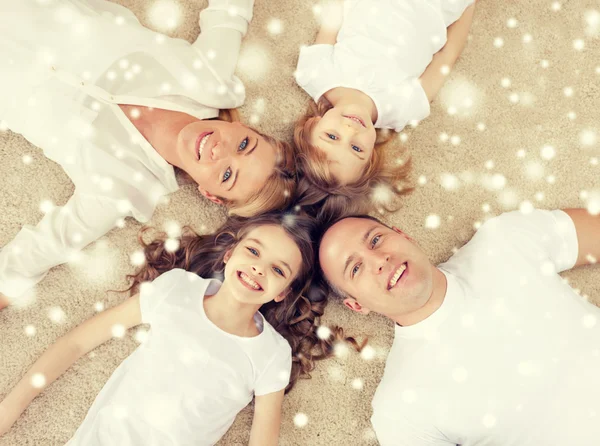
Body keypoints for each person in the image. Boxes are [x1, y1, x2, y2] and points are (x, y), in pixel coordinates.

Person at [0, 0, 296, 308]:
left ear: (211, 194)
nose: (219, 150)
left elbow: (38, 252)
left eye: (227, 174)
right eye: (244, 145)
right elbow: (230, 9)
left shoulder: (121, 188)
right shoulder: (208, 77)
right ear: (246, 128)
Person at [0, 212, 361, 445]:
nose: (258, 269)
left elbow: (263, 439)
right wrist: (11, 409)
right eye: (253, 251)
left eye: (278, 270)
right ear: (229, 254)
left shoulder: (271, 355)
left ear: (283, 293)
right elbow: (77, 343)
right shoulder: (177, 289)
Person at [317, 208, 600, 445]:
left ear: (403, 235)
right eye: (355, 268)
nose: (379, 260)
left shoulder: (503, 239)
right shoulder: (400, 408)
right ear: (357, 305)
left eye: (376, 240)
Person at [293, 0, 476, 217]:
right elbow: (446, 57)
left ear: (312, 125)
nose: (349, 130)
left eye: (332, 136)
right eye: (356, 148)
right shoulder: (403, 110)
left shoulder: (316, 75)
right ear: (371, 155)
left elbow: (335, 11)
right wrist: (467, 7)